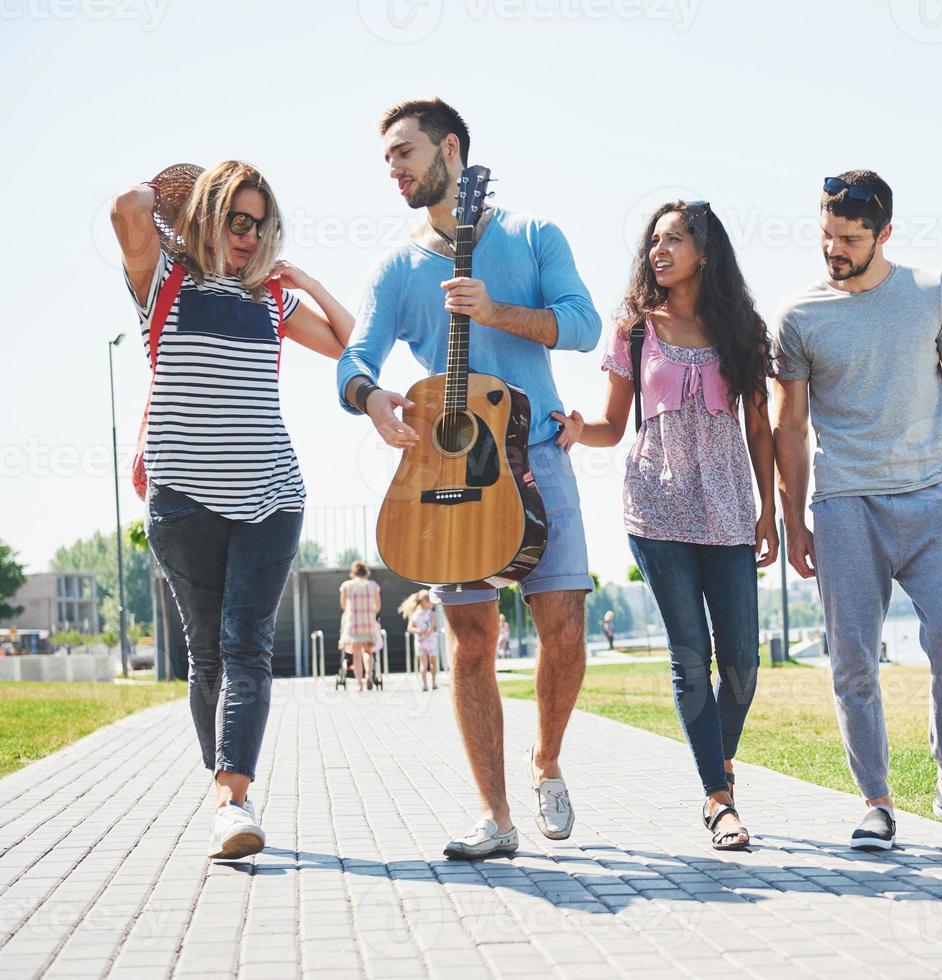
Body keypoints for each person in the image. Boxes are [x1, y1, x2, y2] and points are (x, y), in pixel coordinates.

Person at [338, 99, 600, 859]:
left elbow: (582, 325)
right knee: (471, 640)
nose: (394, 168)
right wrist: (373, 398)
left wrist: (500, 311)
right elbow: (355, 358)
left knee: (563, 627)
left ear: (451, 148)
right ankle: (497, 816)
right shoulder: (395, 266)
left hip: (539, 456)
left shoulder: (530, 234)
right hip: (447, 471)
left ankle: (547, 758)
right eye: (386, 157)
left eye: (404, 151)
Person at [111, 160, 355, 860]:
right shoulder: (165, 282)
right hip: (184, 501)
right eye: (234, 220)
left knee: (246, 647)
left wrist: (304, 282)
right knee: (208, 655)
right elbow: (126, 211)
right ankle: (225, 785)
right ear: (207, 219)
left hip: (269, 498)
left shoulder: (270, 299)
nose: (247, 236)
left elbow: (349, 344)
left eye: (259, 223)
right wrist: (187, 196)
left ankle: (233, 800)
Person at [771, 171, 942, 851]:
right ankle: (875, 801)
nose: (833, 249)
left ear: (884, 234)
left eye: (848, 238)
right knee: (852, 660)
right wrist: (794, 519)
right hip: (846, 504)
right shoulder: (799, 316)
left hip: (936, 501)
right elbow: (789, 430)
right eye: (826, 236)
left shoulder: (933, 293)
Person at [556, 200, 778, 850]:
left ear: (703, 252)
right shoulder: (632, 330)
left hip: (729, 506)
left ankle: (718, 765)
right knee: (690, 657)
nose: (658, 250)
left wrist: (768, 510)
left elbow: (759, 428)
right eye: (654, 240)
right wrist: (575, 431)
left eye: (673, 239)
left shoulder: (742, 330)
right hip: (655, 507)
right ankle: (718, 800)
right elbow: (609, 424)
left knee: (740, 660)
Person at [340, 562, 381, 692]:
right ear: (366, 572)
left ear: (354, 572)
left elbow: (343, 605)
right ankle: (369, 676)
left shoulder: (347, 585)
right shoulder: (373, 585)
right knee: (368, 651)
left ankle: (358, 683)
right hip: (368, 622)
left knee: (356, 654)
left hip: (353, 623)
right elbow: (378, 605)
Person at [401, 589, 439, 690]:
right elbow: (433, 626)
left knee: (423, 663)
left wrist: (418, 631)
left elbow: (410, 628)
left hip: (420, 641)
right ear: (424, 601)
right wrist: (426, 634)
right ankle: (433, 683)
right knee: (433, 663)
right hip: (431, 640)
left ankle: (425, 684)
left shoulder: (414, 614)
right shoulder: (431, 613)